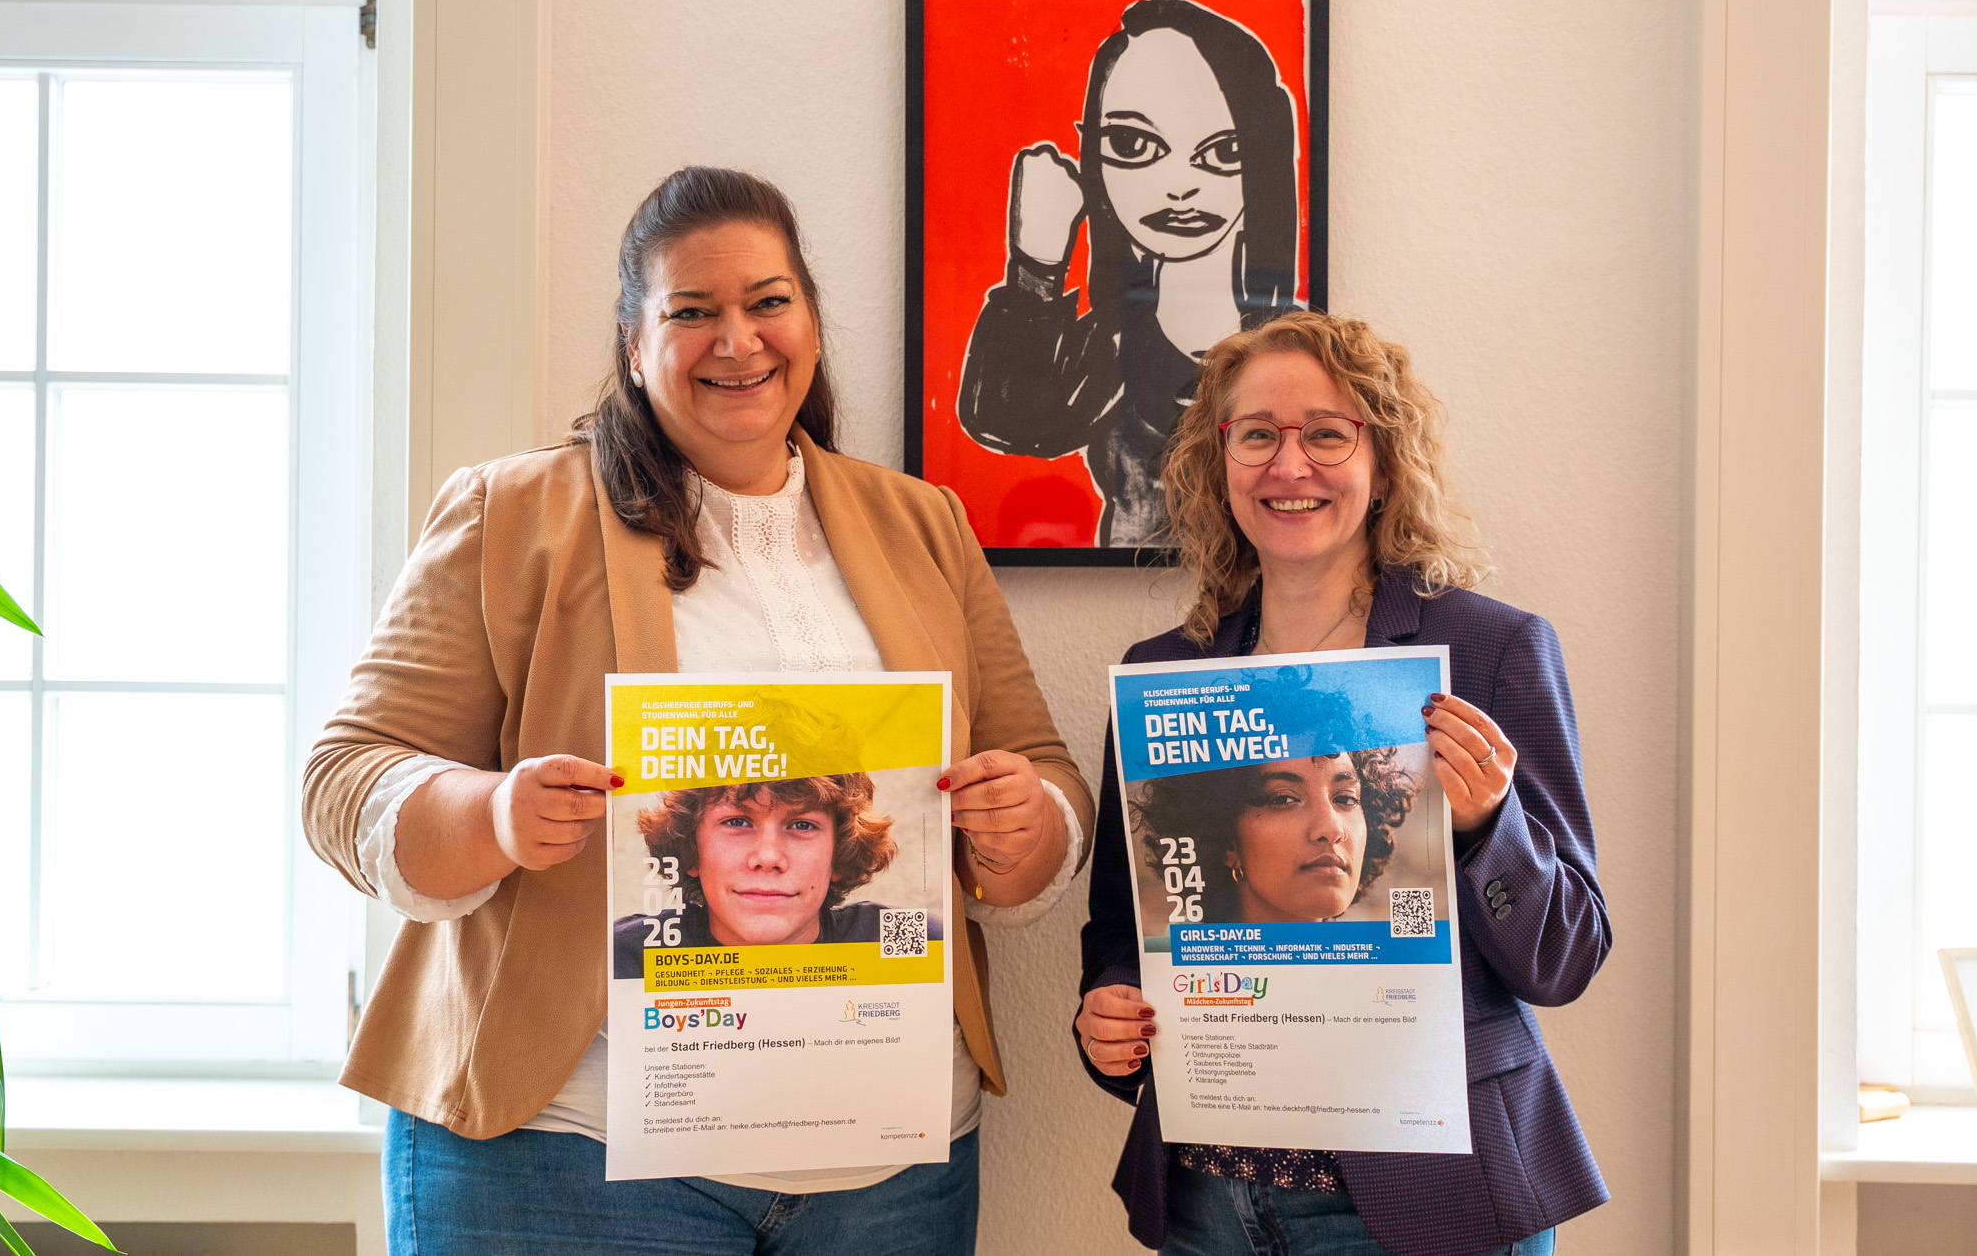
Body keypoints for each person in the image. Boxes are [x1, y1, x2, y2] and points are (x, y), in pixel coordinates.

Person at [305, 167, 1093, 1256]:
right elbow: (345, 776)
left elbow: (1042, 770)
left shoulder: (924, 523)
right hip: (569, 1157)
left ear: (810, 321)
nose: (738, 339)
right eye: (691, 311)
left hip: (890, 1175)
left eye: (768, 301)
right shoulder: (510, 512)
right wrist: (493, 815)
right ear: (633, 345)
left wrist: (1027, 822)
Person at [1075, 312, 1610, 1255]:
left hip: (1434, 1202)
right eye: (1257, 435)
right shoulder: (1166, 677)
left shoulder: (1491, 650)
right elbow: (1126, 931)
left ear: (1384, 460)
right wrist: (1111, 1012)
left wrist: (1488, 824)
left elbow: (1566, 958)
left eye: (1327, 433)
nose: (1290, 465)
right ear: (1218, 462)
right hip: (1211, 1202)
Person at [957, 0, 1304, 547]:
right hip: (1125, 587)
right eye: (1133, 145)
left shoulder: (1295, 347)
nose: (1180, 186)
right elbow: (1006, 421)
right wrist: (1036, 261)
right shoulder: (1118, 337)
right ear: (1094, 157)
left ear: (1263, 160)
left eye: (1223, 152)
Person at [611, 774, 945, 975]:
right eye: (737, 822)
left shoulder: (911, 940)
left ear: (838, 856)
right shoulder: (626, 956)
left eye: (802, 825)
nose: (768, 858)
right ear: (691, 851)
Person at [1132, 746, 1419, 925]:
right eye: (1284, 799)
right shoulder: (1167, 980)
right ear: (1227, 841)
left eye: (1346, 799)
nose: (1332, 830)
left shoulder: (1393, 977)